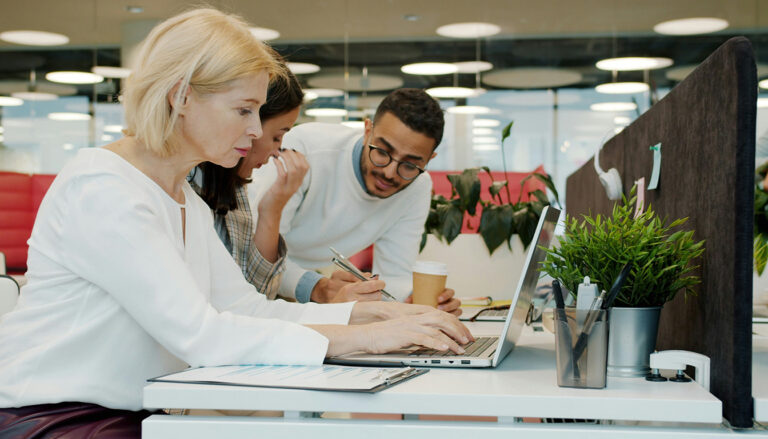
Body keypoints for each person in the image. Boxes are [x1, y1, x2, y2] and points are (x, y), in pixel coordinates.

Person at [0, 9, 471, 437]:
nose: (255, 129)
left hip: (140, 412)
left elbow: (248, 308)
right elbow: (203, 335)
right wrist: (367, 337)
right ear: (181, 96)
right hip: (58, 416)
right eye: (244, 109)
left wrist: (377, 314)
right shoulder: (104, 190)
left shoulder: (183, 196)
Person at [248, 89, 461, 312]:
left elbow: (395, 275)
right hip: (251, 280)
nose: (390, 172)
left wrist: (416, 301)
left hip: (296, 283)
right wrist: (318, 288)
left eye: (409, 165)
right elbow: (254, 251)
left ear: (429, 160)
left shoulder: (417, 187)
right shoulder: (305, 150)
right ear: (367, 130)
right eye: (382, 152)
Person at [189, 65, 305, 300]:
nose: (275, 151)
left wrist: (271, 210)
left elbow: (257, 293)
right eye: (277, 137)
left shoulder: (233, 188)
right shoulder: (179, 182)